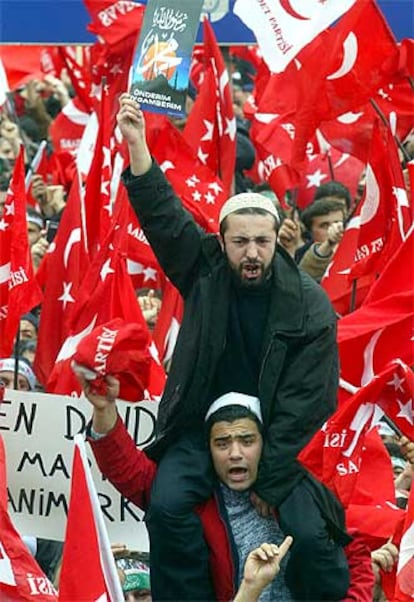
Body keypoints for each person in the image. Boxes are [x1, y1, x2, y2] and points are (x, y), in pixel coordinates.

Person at [115, 94, 348, 601]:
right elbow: (165, 218)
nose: (251, 253)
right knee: (168, 506)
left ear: (277, 240)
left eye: (262, 241)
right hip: (200, 430)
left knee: (313, 536)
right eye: (239, 241)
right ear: (221, 243)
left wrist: (270, 472)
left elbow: (309, 401)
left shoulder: (309, 306)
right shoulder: (204, 272)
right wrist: (137, 146)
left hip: (278, 444)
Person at [83, 376, 374, 602]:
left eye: (247, 441)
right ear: (208, 450)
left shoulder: (302, 488)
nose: (235, 453)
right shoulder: (191, 499)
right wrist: (104, 408)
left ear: (264, 443)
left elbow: (354, 551)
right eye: (222, 443)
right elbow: (128, 471)